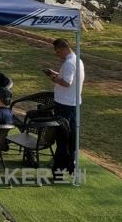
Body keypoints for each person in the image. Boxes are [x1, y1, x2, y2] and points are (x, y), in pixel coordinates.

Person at [45, 37, 85, 174]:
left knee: (62, 137)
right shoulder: (77, 60)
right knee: (71, 135)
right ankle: (69, 163)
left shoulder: (69, 63)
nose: (57, 55)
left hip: (65, 104)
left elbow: (67, 82)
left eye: (57, 52)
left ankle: (59, 167)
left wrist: (54, 78)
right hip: (72, 103)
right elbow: (71, 79)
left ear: (62, 49)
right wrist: (57, 74)